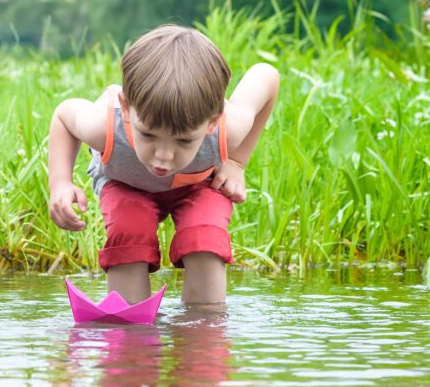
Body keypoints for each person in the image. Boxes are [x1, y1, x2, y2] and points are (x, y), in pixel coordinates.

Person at [48, 25, 279, 305]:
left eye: (184, 141)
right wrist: (60, 182)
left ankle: (202, 327)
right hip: (126, 184)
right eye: (148, 135)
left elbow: (267, 76)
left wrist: (235, 162)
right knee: (129, 233)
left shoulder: (228, 129)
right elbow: (63, 115)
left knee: (205, 238)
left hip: (198, 183)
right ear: (127, 107)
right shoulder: (103, 123)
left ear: (212, 122)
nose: (164, 157)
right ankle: (129, 325)